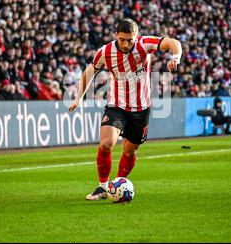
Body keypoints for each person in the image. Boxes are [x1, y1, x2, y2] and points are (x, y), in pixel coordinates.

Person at [69, 18, 183, 201]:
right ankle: (103, 187)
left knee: (130, 151)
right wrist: (79, 96)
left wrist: (175, 57)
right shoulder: (106, 52)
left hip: (141, 108)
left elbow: (172, 43)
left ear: (136, 37)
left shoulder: (144, 44)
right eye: (122, 39)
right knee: (106, 143)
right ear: (116, 35)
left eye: (130, 39)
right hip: (116, 105)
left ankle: (119, 183)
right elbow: (90, 71)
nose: (125, 43)